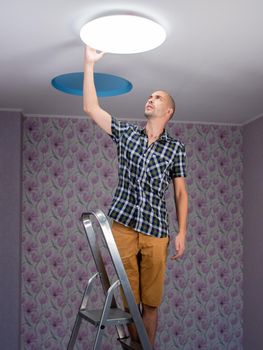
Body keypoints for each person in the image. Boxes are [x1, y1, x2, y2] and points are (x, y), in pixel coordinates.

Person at [83, 46, 188, 348]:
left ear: (168, 111)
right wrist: (89, 63)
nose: (150, 99)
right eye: (149, 96)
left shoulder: (175, 148)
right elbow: (92, 108)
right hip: (125, 226)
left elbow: (180, 192)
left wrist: (182, 231)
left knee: (151, 303)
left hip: (157, 232)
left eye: (158, 97)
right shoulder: (127, 134)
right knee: (130, 300)